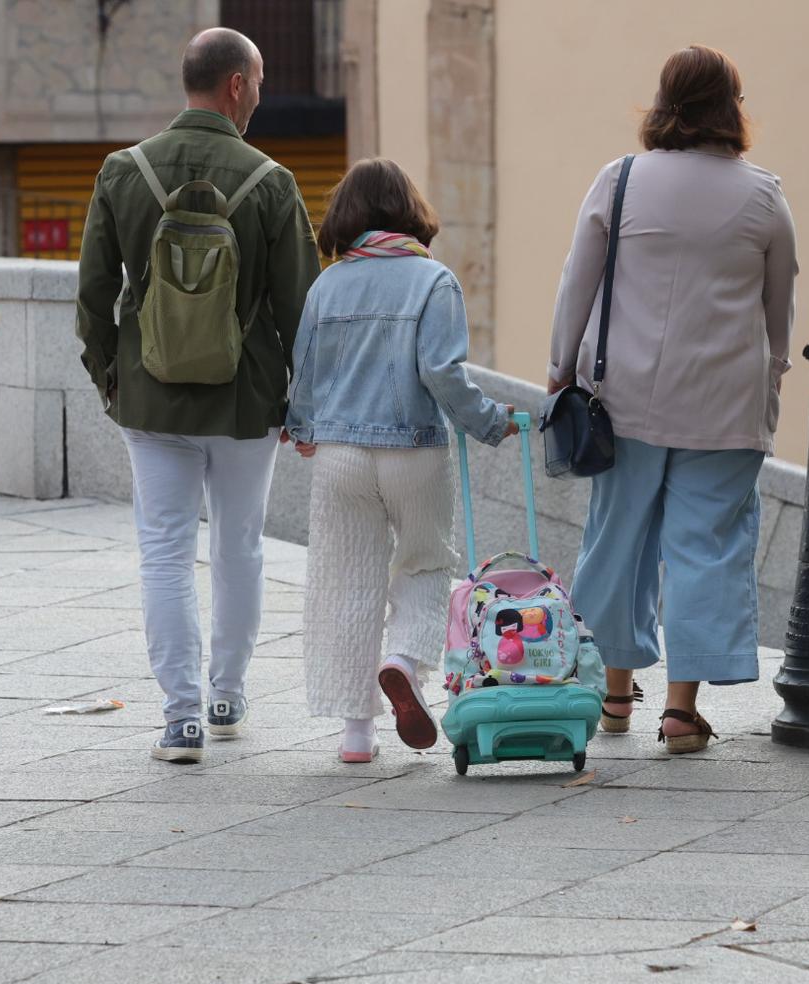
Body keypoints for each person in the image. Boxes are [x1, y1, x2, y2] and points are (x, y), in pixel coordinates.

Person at [75, 28, 320, 764]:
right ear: (236, 86)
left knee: (164, 553)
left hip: (150, 398)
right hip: (246, 400)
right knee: (239, 546)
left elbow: (93, 293)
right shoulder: (270, 181)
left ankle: (180, 719)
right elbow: (301, 310)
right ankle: (226, 696)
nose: (261, 96)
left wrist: (112, 377)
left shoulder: (124, 171)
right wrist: (303, 401)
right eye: (260, 82)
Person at [548, 45, 796, 755]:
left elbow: (577, 282)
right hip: (725, 403)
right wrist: (774, 369)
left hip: (623, 398)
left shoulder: (621, 180)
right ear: (731, 108)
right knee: (705, 548)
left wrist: (560, 368)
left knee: (618, 539)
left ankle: (614, 694)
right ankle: (681, 712)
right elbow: (778, 303)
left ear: (664, 104)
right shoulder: (763, 195)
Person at [285, 158, 516, 763]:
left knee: (346, 581)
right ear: (409, 211)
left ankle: (356, 736)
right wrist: (489, 421)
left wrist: (303, 427)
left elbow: (303, 370)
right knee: (426, 562)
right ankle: (405, 660)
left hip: (340, 453)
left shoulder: (327, 285)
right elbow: (443, 372)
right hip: (412, 449)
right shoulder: (433, 280)